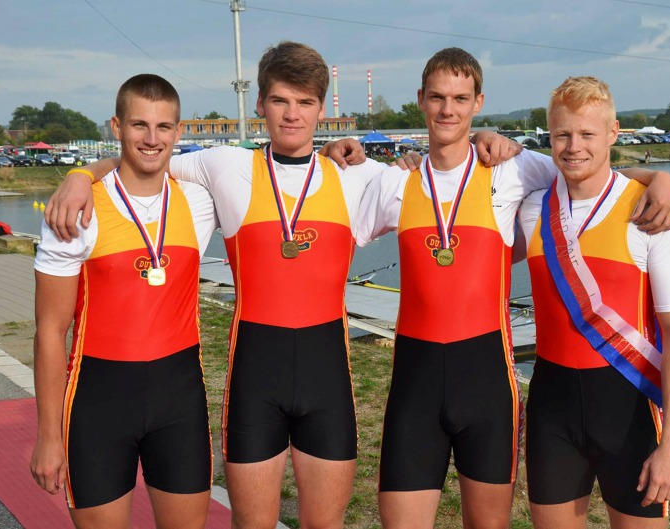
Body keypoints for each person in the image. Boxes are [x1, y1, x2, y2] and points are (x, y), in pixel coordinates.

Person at [42, 42, 516, 529]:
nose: (292, 115)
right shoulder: (225, 166)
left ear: (321, 109)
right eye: (280, 101)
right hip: (255, 383)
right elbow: (145, 158)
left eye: (305, 102)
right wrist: (80, 174)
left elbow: (447, 183)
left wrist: (485, 136)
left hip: (326, 386)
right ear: (260, 103)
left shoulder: (359, 178)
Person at [357, 49, 670, 529]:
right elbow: (330, 205)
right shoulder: (394, 182)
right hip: (416, 388)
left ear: (478, 102)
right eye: (439, 97)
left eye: (461, 99)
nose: (448, 109)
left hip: (489, 389)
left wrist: (660, 177)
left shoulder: (513, 171)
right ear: (421, 99)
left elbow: (591, 176)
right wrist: (341, 150)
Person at [30, 74, 218, 528]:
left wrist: (336, 149)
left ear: (178, 130)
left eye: (163, 127)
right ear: (116, 127)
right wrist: (48, 436)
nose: (152, 139)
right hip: (99, 403)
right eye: (139, 125)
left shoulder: (200, 200)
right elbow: (50, 331)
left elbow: (276, 167)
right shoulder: (77, 211)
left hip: (180, 403)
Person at [517, 76, 670, 529]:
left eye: (587, 134)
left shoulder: (653, 213)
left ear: (613, 132)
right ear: (549, 135)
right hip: (551, 410)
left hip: (630, 412)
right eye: (562, 134)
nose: (573, 147)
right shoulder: (531, 208)